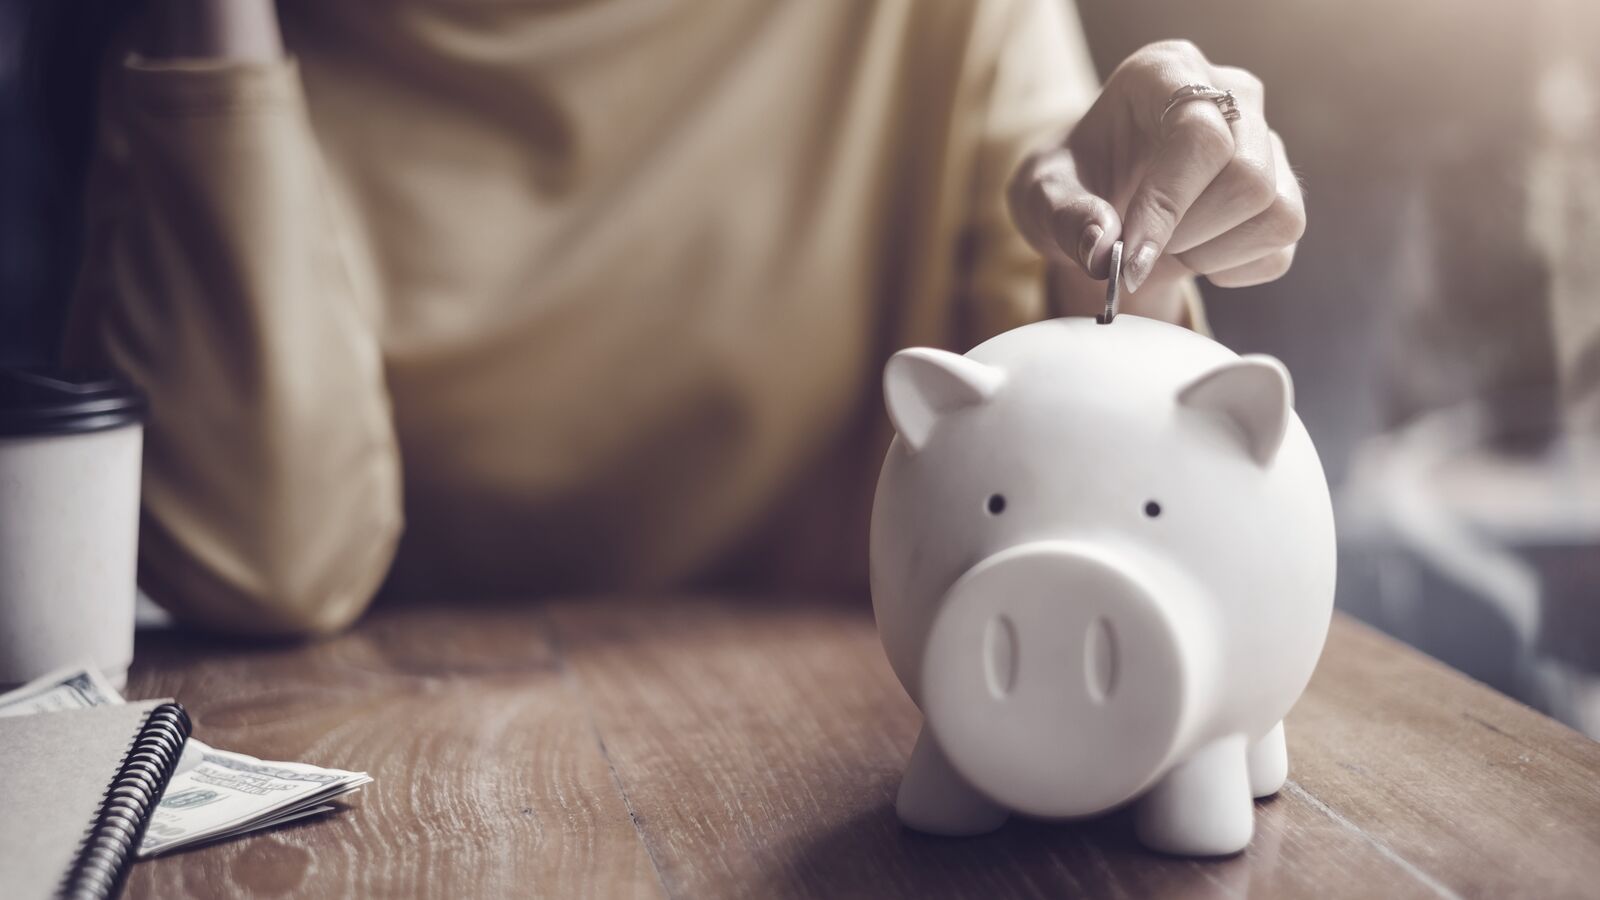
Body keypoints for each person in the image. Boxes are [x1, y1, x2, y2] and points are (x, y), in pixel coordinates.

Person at [58, 0, 1304, 636]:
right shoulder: (235, 52)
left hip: (842, 749)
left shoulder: (924, 22)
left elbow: (1100, 488)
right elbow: (257, 560)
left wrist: (1138, 246)